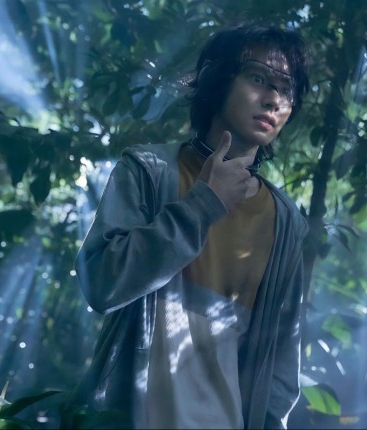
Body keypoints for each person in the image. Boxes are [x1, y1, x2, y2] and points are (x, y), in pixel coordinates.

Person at [62, 23, 311, 429]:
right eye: (258, 78)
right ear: (218, 78)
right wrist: (203, 206)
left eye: (287, 89)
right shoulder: (150, 170)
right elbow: (102, 285)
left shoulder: (284, 221)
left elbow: (280, 359)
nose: (273, 99)